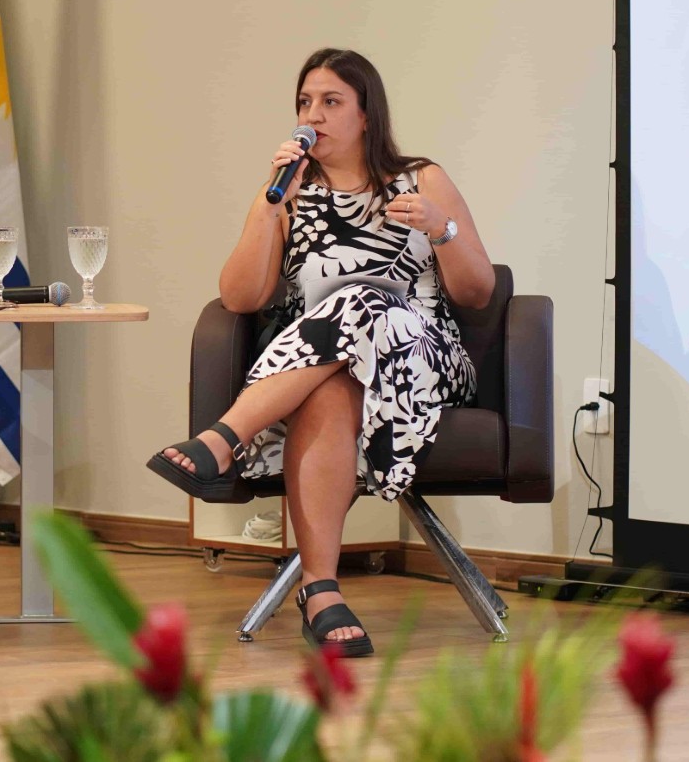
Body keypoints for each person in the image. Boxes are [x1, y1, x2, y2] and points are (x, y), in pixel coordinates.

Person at [147, 48, 494, 657]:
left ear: (367, 115)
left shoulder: (421, 179)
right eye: (305, 103)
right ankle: (321, 588)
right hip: (321, 369)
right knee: (332, 387)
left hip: (423, 360)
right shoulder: (289, 191)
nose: (314, 116)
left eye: (331, 102)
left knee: (363, 297)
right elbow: (239, 296)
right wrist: (269, 204)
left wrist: (443, 229)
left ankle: (225, 439)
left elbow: (477, 291)